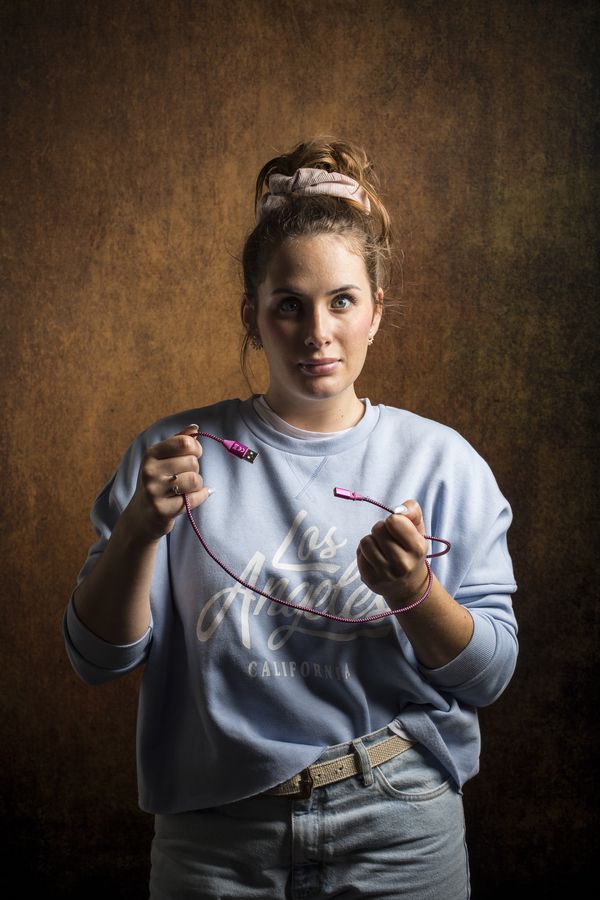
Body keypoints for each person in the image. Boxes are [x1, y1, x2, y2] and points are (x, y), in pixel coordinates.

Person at [63, 137, 518, 899]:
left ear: (376, 311)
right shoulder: (172, 454)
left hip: (398, 819)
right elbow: (95, 661)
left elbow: (490, 676)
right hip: (215, 835)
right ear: (253, 317)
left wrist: (414, 593)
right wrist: (140, 530)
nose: (317, 332)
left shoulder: (444, 463)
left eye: (342, 300)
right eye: (288, 305)